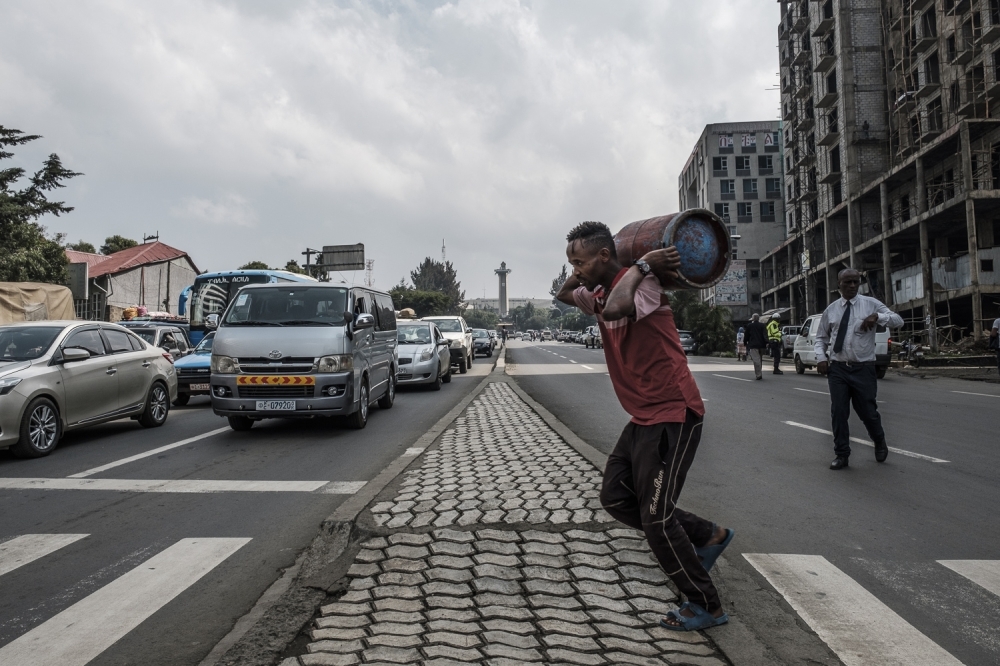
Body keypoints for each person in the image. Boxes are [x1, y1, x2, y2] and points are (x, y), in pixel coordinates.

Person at [556, 221, 733, 632]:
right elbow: (564, 294)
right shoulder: (600, 293)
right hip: (643, 416)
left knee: (656, 518)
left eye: (580, 261)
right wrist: (582, 269)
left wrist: (642, 265)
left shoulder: (644, 286)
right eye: (571, 262)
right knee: (616, 497)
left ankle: (705, 603)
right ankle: (707, 535)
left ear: (604, 256)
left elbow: (620, 307)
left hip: (674, 412)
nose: (575, 270)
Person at [815, 268, 904, 470]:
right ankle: (842, 454)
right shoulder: (831, 309)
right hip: (838, 368)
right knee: (839, 412)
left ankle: (879, 440)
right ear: (839, 284)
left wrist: (878, 318)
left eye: (856, 282)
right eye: (848, 282)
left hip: (863, 368)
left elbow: (898, 321)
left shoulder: (871, 304)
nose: (853, 286)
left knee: (867, 412)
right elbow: (821, 338)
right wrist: (821, 358)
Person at [744, 314, 768, 379]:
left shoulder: (750, 326)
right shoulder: (762, 325)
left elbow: (746, 335)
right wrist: (767, 342)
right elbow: (765, 334)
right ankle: (759, 372)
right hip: (762, 345)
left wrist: (745, 342)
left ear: (753, 319)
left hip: (753, 345)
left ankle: (758, 374)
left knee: (756, 360)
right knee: (759, 359)